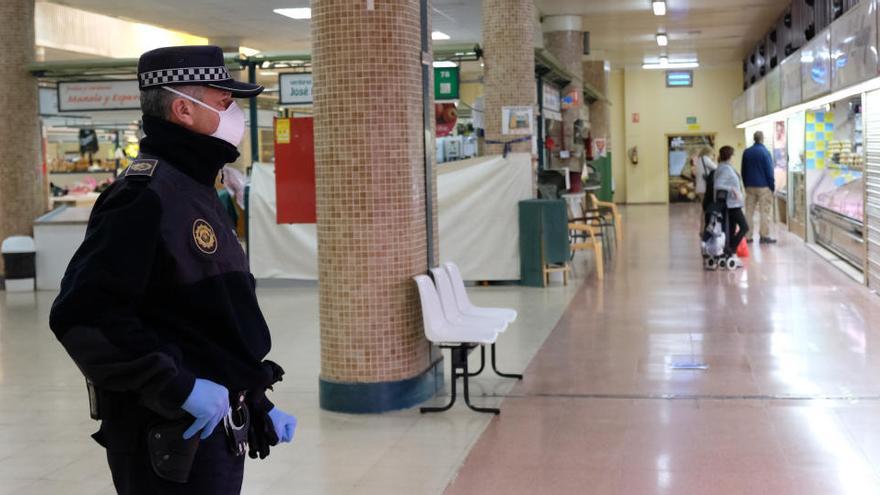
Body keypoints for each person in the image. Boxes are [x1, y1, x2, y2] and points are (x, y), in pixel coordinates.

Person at [49, 46, 297, 495]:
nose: (235, 114)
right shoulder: (142, 198)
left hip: (214, 431)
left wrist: (254, 399)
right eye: (224, 103)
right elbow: (84, 317)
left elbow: (208, 324)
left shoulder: (198, 189)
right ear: (184, 109)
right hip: (165, 438)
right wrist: (178, 386)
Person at [713, 145, 749, 268]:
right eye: (733, 155)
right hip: (732, 205)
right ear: (729, 156)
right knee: (744, 227)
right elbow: (718, 185)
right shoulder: (725, 168)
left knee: (731, 230)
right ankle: (731, 249)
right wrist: (732, 189)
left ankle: (729, 252)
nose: (734, 157)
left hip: (733, 204)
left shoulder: (725, 167)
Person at [741, 131, 777, 243]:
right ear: (762, 139)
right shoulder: (765, 152)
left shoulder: (747, 152)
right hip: (764, 187)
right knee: (764, 212)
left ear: (754, 139)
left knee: (749, 211)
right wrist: (772, 186)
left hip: (750, 186)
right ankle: (764, 236)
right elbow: (769, 171)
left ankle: (747, 236)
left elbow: (743, 170)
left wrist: (746, 184)